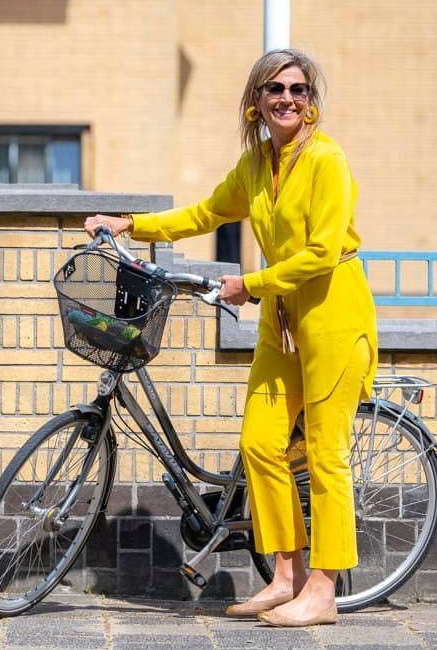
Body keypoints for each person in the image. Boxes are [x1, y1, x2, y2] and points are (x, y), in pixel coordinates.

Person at [84, 48, 378, 628]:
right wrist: (129, 224)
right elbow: (206, 212)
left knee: (324, 456)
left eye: (298, 90)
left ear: (311, 102)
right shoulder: (255, 166)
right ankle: (287, 575)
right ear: (255, 103)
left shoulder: (327, 161)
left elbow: (322, 252)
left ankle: (323, 591)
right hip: (282, 324)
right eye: (275, 90)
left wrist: (253, 283)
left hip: (332, 319)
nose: (288, 99)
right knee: (261, 444)